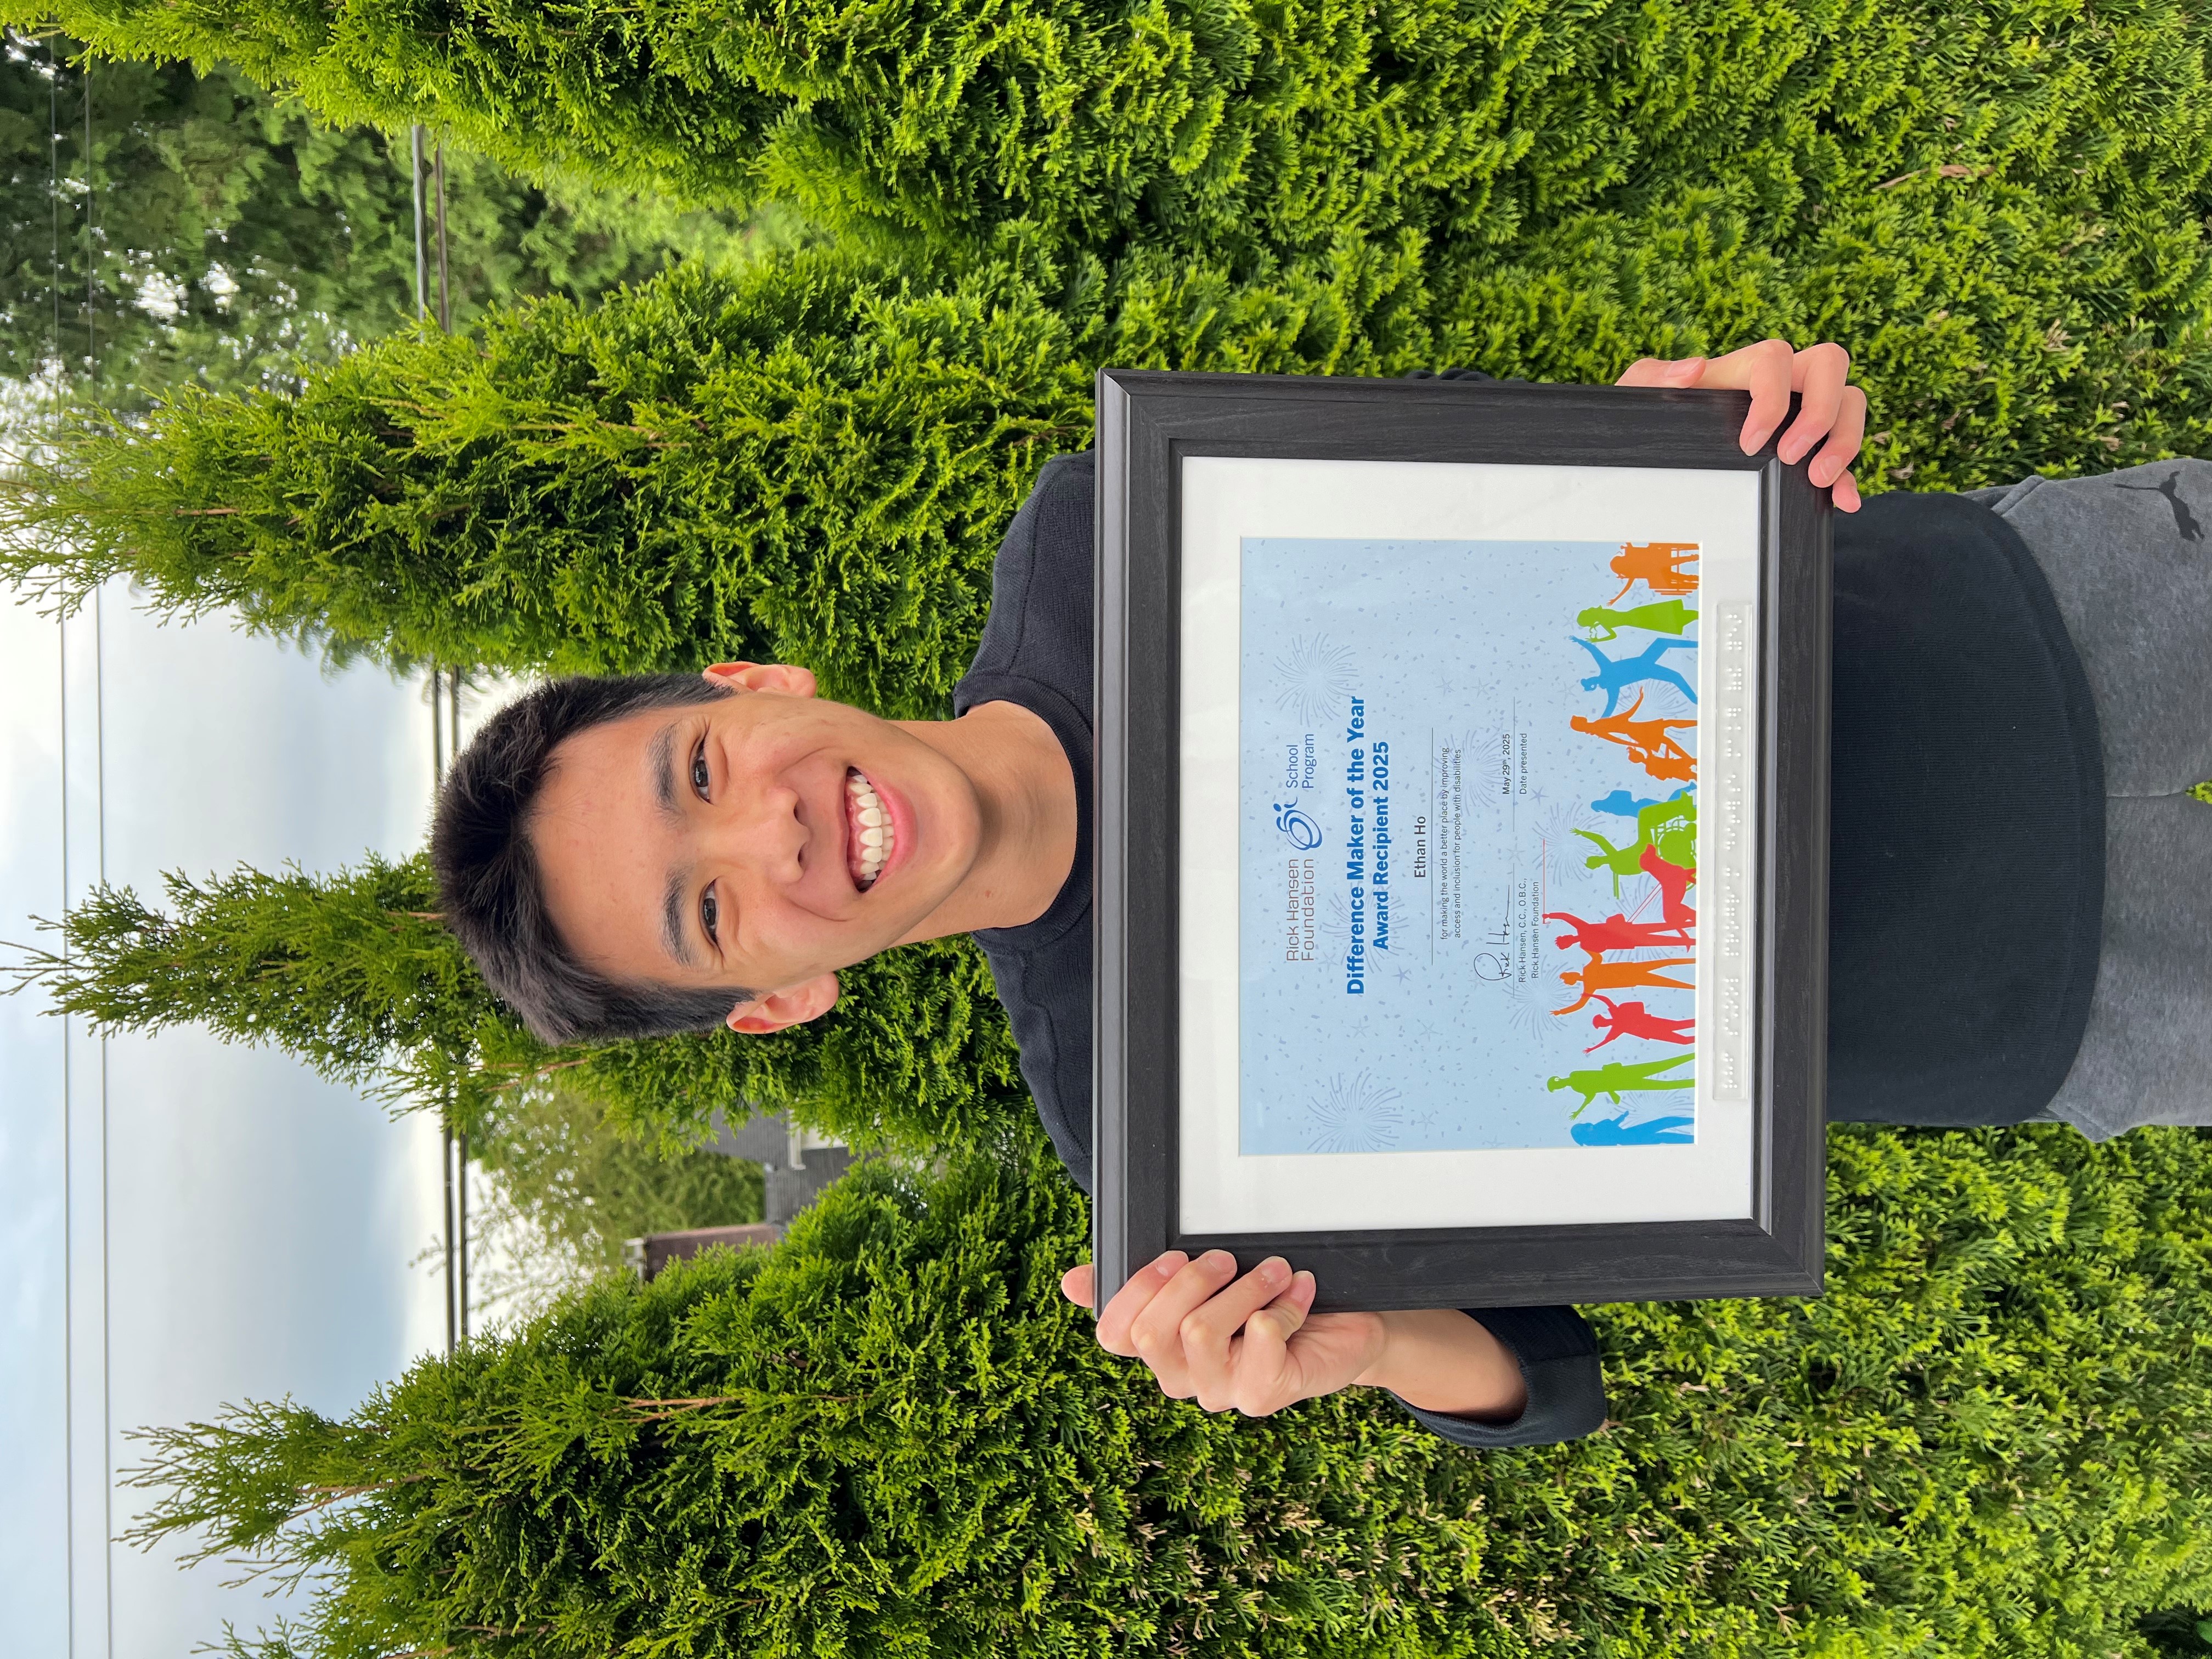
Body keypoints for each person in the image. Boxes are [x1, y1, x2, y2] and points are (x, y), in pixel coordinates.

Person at [431, 338, 2212, 1449]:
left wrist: (1707, 429)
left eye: (699, 779)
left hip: (2053, 618)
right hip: (2072, 998)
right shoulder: (1136, 1137)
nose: (778, 839)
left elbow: (1581, 513)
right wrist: (1357, 1354)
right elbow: (1544, 1376)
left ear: (751, 692)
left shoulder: (1110, 528)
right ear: (774, 1005)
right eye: (712, 912)